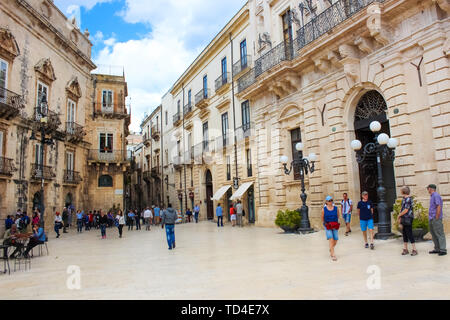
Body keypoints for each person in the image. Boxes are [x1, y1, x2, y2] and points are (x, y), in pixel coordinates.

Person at [397, 186, 417, 256]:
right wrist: (400, 216)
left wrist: (399, 215)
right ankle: (405, 249)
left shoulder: (408, 199)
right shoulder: (404, 199)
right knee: (404, 233)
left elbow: (406, 209)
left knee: (409, 233)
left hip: (408, 218)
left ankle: (414, 249)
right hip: (404, 218)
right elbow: (402, 208)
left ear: (403, 192)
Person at [427, 184, 446, 256]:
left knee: (439, 233)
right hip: (431, 218)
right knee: (433, 233)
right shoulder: (432, 196)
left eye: (428, 188)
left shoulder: (436, 195)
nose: (427, 190)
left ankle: (443, 249)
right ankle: (437, 248)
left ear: (430, 189)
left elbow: (438, 206)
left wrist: (437, 216)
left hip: (435, 218)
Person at [322, 196, 341, 261]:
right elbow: (322, 218)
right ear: (326, 202)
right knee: (331, 238)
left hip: (334, 224)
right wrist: (325, 224)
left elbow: (338, 216)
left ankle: (331, 249)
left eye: (331, 200)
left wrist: (336, 222)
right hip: (327, 225)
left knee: (336, 239)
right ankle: (333, 254)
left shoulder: (336, 208)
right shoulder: (323, 209)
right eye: (329, 201)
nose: (330, 202)